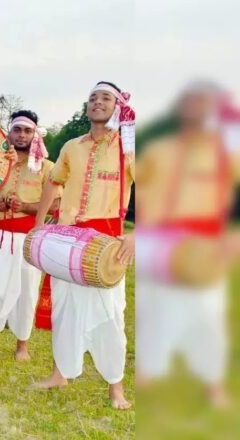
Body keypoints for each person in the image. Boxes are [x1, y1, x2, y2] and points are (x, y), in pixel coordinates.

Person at [32, 81, 135, 410]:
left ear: (117, 106)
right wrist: (38, 227)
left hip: (107, 242)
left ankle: (115, 388)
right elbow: (53, 182)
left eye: (106, 98)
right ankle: (60, 373)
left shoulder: (127, 147)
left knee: (111, 314)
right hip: (66, 238)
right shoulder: (71, 147)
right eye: (93, 97)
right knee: (65, 308)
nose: (97, 102)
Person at [136, 81, 237, 409]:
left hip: (204, 245)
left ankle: (213, 384)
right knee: (154, 309)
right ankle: (148, 372)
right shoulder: (159, 150)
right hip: (158, 242)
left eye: (202, 103)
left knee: (207, 315)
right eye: (189, 102)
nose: (194, 109)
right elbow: (135, 183)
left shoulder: (227, 153)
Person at [0, 110, 59, 361]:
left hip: (28, 238)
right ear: (9, 133)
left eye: (28, 131)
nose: (22, 135)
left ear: (36, 134)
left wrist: (25, 207)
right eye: (17, 130)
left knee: (26, 290)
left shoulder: (47, 167)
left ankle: (22, 345)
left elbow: (57, 205)